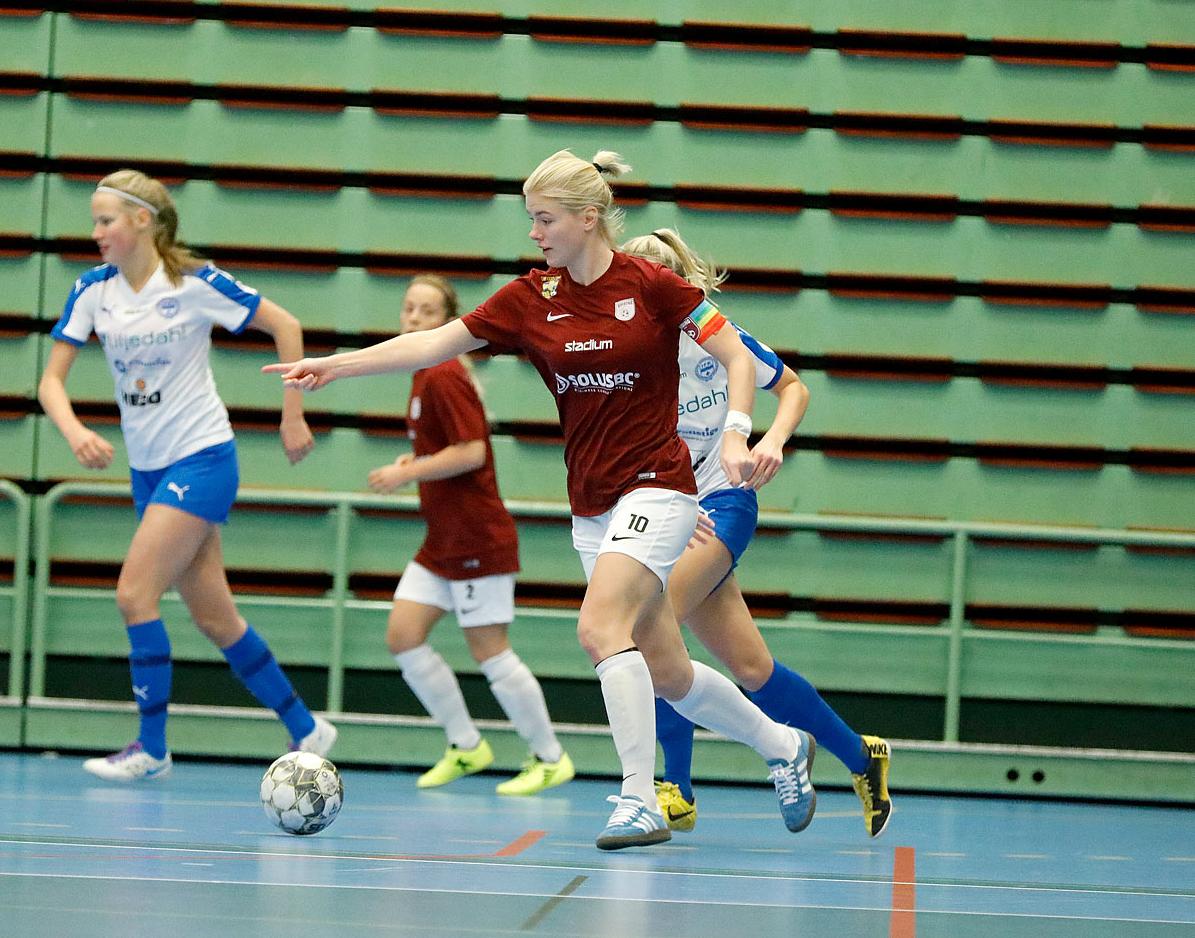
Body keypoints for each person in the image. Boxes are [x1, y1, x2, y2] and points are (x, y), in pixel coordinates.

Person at [267, 149, 817, 850]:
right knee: (668, 671)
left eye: (545, 218)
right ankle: (781, 745)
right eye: (532, 219)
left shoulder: (652, 287)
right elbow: (434, 342)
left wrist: (738, 433)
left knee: (597, 629)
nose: (535, 233)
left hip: (661, 487)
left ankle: (639, 798)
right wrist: (334, 366)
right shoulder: (532, 299)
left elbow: (739, 356)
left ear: (589, 219)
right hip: (592, 504)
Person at [38, 169, 338, 782]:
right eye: (93, 221)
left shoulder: (195, 284)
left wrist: (292, 414)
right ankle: (308, 726)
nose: (95, 233)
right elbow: (50, 382)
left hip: (201, 458)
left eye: (105, 221)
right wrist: (75, 432)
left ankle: (151, 748)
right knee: (215, 617)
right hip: (147, 470)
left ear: (142, 220)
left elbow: (285, 325)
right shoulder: (93, 292)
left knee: (133, 594)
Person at [620, 229, 894, 839]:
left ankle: (675, 790)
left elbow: (793, 387)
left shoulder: (714, 336)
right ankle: (860, 756)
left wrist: (767, 438)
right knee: (752, 667)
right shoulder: (621, 356)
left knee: (648, 626)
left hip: (724, 505)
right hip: (670, 510)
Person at [369, 274, 574, 796]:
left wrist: (406, 473)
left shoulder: (443, 373)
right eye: (408, 307)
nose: (413, 318)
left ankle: (551, 757)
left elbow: (472, 453)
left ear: (447, 321)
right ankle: (466, 746)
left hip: (477, 539)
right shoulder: (420, 371)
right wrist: (416, 461)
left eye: (427, 311)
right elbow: (446, 451)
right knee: (403, 636)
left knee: (490, 651)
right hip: (443, 542)